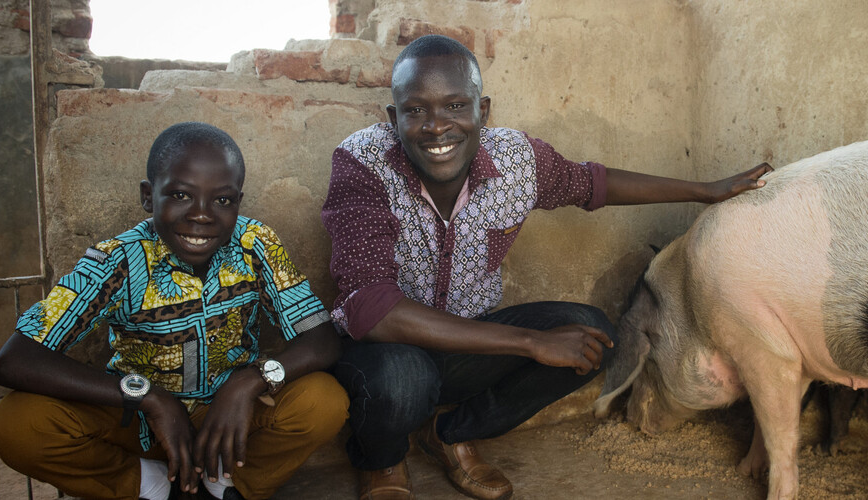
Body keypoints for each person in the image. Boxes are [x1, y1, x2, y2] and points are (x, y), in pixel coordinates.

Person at [321, 35, 770, 500]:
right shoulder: (363, 161)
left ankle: (449, 433)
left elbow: (593, 184)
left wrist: (704, 191)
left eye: (455, 106)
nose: (436, 127)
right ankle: (382, 459)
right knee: (402, 378)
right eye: (415, 111)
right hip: (385, 350)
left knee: (590, 335)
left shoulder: (517, 160)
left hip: (468, 341)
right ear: (393, 118)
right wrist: (533, 342)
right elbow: (373, 311)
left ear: (483, 110)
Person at [0, 122, 348, 500]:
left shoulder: (256, 243)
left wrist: (248, 383)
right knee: (16, 425)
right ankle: (149, 484)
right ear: (148, 196)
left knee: (323, 401)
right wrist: (148, 397)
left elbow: (321, 339)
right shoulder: (117, 260)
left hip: (230, 423)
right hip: (140, 423)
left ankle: (226, 485)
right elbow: (14, 361)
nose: (202, 215)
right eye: (180, 195)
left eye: (222, 200)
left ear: (238, 201)